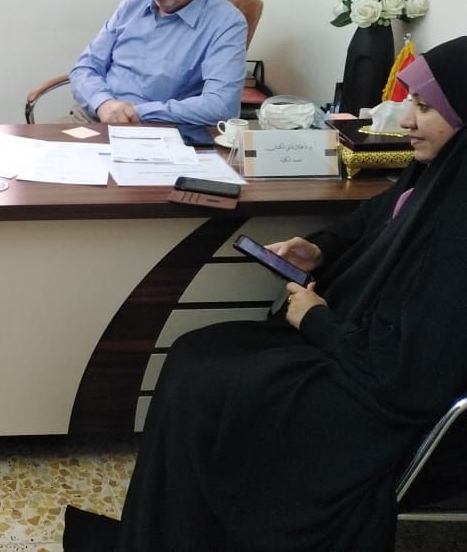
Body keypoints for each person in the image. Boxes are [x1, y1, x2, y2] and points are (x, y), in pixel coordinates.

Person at [67, 37, 467, 550]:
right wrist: (319, 249)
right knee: (193, 354)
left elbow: (413, 376)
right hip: (352, 345)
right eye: (410, 102)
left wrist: (318, 320)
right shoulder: (437, 171)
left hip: (377, 400)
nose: (406, 121)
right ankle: (166, 535)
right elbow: (375, 218)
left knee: (208, 386)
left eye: (425, 108)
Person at [68, 0, 247, 125]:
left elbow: (220, 105)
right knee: (42, 143)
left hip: (158, 130)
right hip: (94, 117)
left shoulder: (226, 23)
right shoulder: (131, 6)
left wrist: (134, 113)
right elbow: (85, 68)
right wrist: (104, 103)